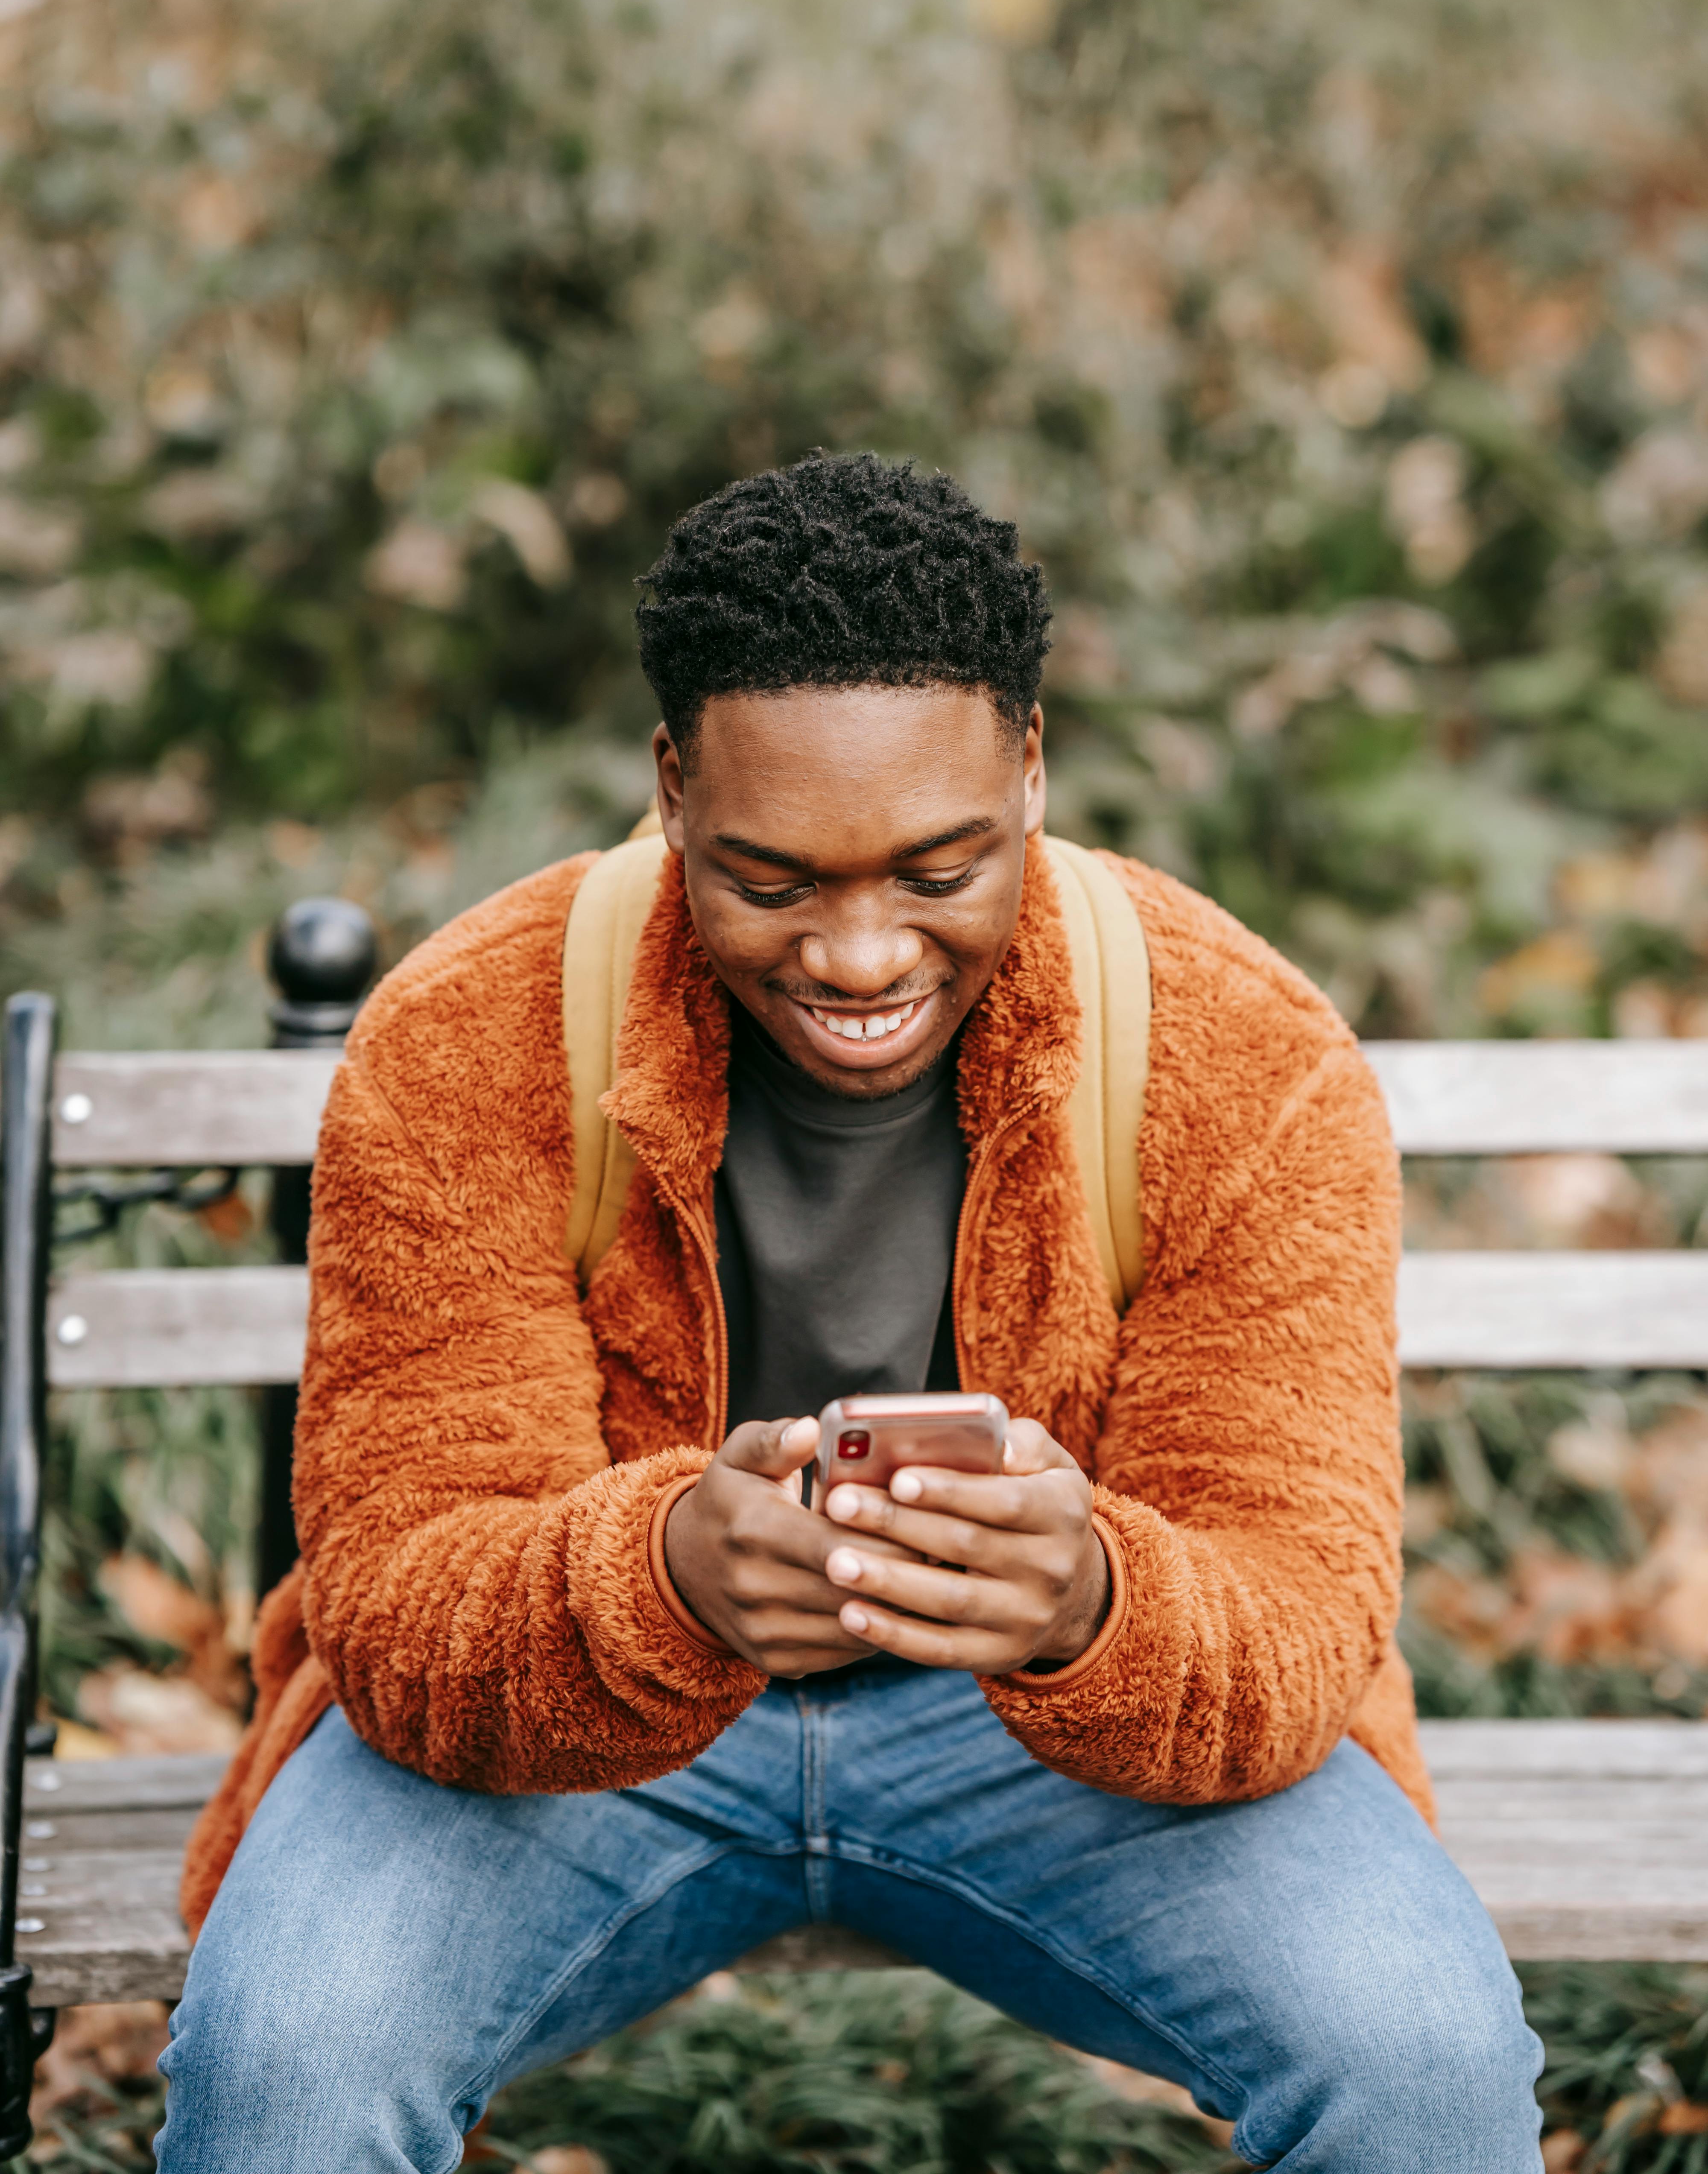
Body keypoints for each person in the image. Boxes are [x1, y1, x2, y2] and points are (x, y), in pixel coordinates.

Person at [155, 453, 1543, 2173]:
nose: (863, 954)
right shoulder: (470, 1041)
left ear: (1031, 770)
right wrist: (664, 1575)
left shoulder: (1239, 1060)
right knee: (288, 2066)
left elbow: (1297, 1607)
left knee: (1421, 2066)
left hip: (1047, 1732)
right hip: (589, 1738)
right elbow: (396, 1591)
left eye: (937, 869)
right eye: (775, 881)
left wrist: (1087, 1596)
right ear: (672, 787)